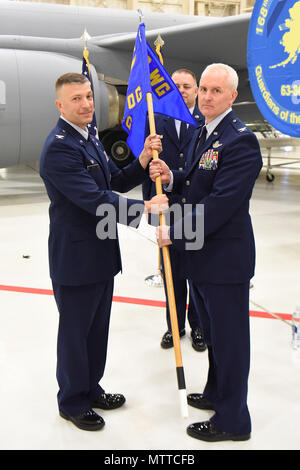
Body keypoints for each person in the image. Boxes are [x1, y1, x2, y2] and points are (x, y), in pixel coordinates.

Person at [39, 72, 167, 431]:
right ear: (60, 105)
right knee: (76, 333)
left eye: (88, 97)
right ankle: (73, 402)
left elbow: (112, 180)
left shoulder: (89, 136)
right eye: (76, 99)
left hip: (100, 253)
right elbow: (97, 201)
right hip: (76, 258)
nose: (85, 104)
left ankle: (91, 388)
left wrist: (141, 161)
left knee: (97, 330)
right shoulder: (60, 146)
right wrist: (145, 210)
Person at [151, 63, 262, 442]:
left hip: (225, 260)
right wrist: (172, 176)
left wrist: (174, 235)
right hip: (204, 258)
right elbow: (197, 181)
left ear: (233, 96)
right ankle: (216, 393)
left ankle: (233, 421)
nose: (208, 97)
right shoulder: (205, 131)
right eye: (205, 90)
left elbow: (220, 204)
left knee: (230, 342)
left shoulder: (240, 140)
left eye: (217, 91)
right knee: (215, 335)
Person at [142, 69, 206, 352]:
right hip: (169, 210)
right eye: (175, 85)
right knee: (172, 274)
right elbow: (149, 168)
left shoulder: (206, 122)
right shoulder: (156, 121)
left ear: (196, 90)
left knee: (199, 275)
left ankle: (199, 327)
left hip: (197, 211)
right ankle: (174, 325)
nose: (181, 90)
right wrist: (152, 209)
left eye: (187, 86)